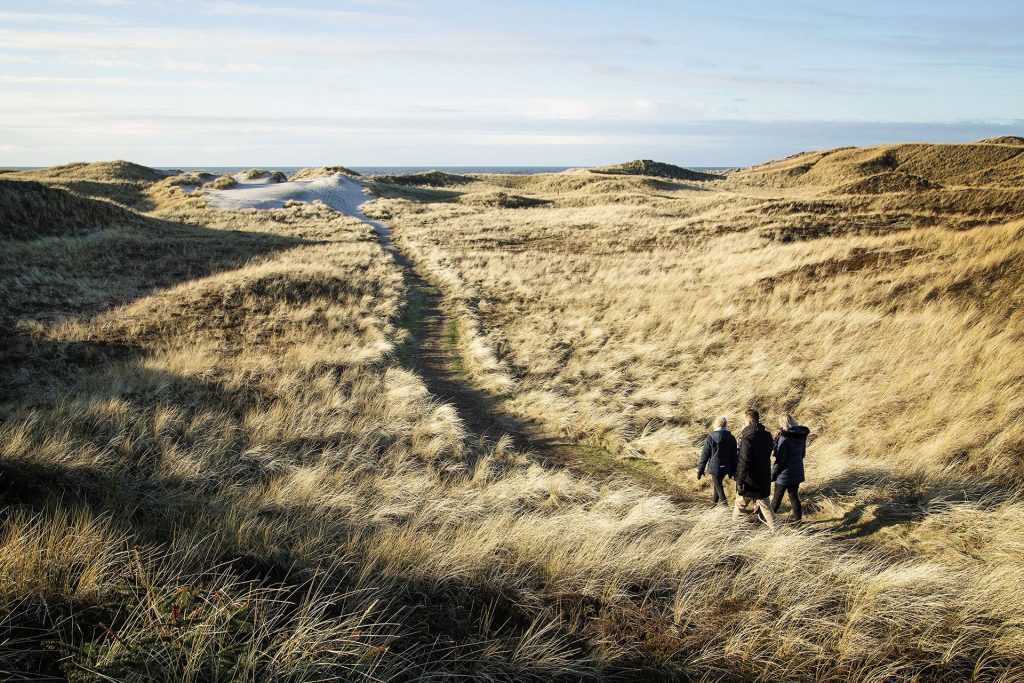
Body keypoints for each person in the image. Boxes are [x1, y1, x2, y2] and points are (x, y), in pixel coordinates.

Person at [733, 409, 777, 529]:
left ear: (749, 421)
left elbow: (744, 462)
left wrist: (739, 482)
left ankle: (733, 532)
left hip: (749, 481)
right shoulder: (768, 436)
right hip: (763, 478)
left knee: (739, 507)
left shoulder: (747, 439)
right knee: (767, 508)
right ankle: (776, 531)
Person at [771, 414, 809, 522]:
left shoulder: (784, 438)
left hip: (784, 473)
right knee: (793, 496)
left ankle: (767, 519)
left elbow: (780, 460)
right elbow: (802, 454)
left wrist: (773, 474)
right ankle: (798, 520)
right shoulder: (801, 435)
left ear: (783, 424)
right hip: (797, 470)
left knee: (777, 497)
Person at [697, 416, 737, 507]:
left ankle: (725, 508)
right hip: (726, 467)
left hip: (715, 468)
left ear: (715, 425)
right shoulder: (732, 438)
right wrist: (734, 471)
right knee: (717, 485)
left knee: (719, 487)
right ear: (725, 425)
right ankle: (713, 505)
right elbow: (734, 456)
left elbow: (704, 456)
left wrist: (700, 470)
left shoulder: (710, 438)